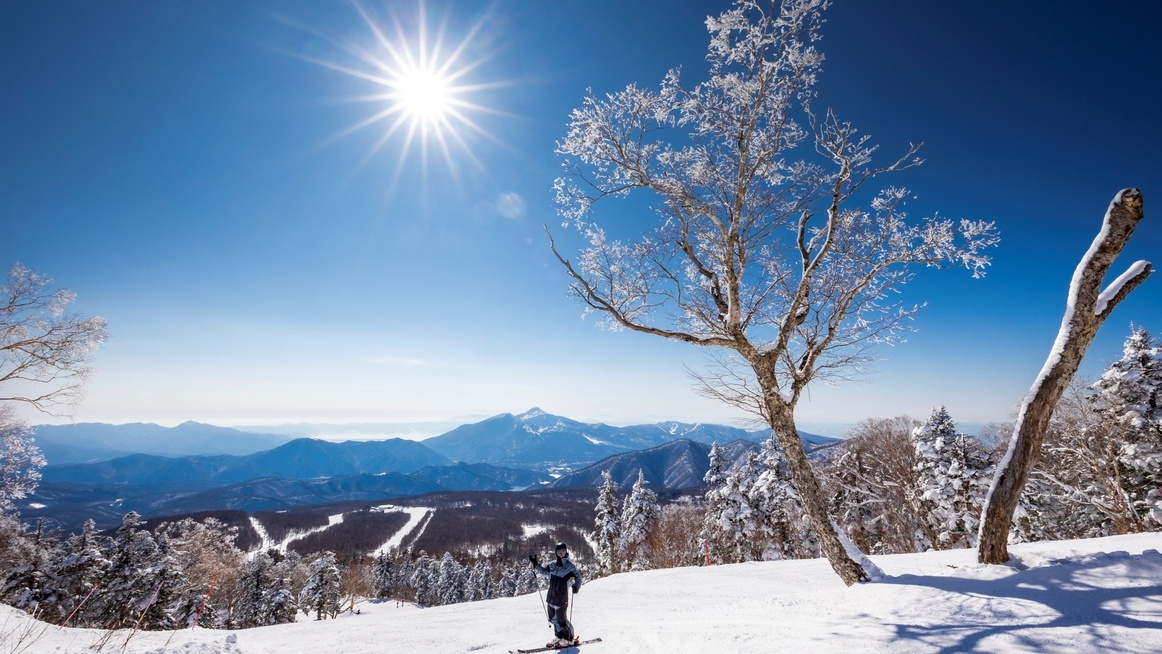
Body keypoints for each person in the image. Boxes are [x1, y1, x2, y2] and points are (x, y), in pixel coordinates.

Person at [529, 542, 582, 649]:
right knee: (553, 619)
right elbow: (544, 572)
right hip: (551, 598)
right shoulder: (552, 565)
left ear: (566, 552)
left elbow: (578, 577)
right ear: (556, 553)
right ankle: (559, 637)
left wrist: (576, 586)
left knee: (562, 621)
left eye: (563, 551)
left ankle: (569, 639)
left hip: (561, 598)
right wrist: (536, 564)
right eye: (559, 552)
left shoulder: (569, 567)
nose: (561, 554)